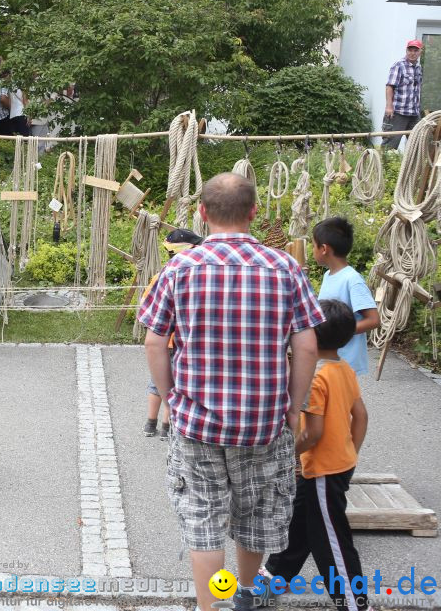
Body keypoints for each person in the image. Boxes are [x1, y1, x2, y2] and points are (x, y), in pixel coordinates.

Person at [137, 172, 324, 611]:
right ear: (254, 212)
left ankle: (210, 605)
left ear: (202, 214)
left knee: (203, 520)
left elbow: (153, 340)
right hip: (262, 422)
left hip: (197, 421)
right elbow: (308, 345)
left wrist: (169, 398)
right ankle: (243, 594)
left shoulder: (180, 268)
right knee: (255, 513)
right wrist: (294, 409)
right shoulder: (284, 268)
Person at [260, 299, 369, 611]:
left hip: (322, 471)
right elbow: (361, 417)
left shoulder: (316, 377)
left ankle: (354, 603)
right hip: (331, 467)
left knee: (332, 542)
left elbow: (312, 433)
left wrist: (287, 455)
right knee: (298, 526)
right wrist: (349, 454)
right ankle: (268, 583)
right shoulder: (343, 369)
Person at [139, 228, 203, 439]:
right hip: (182, 344)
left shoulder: (161, 276)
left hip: (162, 340)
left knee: (157, 382)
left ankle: (150, 423)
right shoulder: (195, 277)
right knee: (175, 385)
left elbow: (146, 307)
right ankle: (167, 427)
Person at [312, 217, 380, 377]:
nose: (312, 249)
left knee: (343, 399)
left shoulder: (352, 280)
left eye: (313, 245)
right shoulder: (328, 275)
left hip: (346, 361)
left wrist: (339, 332)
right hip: (330, 358)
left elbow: (373, 320)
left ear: (323, 249)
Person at [383, 39, 423, 151]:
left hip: (414, 114)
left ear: (420, 52)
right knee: (390, 145)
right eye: (410, 50)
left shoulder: (418, 68)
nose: (412, 53)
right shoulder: (399, 65)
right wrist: (389, 106)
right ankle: (383, 167)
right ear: (406, 50)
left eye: (416, 50)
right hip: (398, 113)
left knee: (417, 146)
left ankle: (410, 168)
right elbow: (390, 86)